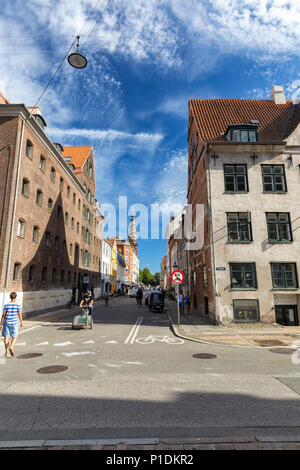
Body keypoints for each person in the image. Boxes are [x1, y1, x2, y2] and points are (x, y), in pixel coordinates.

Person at [0, 292, 23, 357]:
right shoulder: (18, 305)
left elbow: (3, 315)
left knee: (6, 337)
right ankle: (11, 347)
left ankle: (7, 352)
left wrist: (1, 324)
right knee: (14, 336)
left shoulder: (6, 305)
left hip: (6, 323)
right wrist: (21, 322)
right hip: (14, 323)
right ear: (15, 297)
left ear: (10, 297)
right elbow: (19, 314)